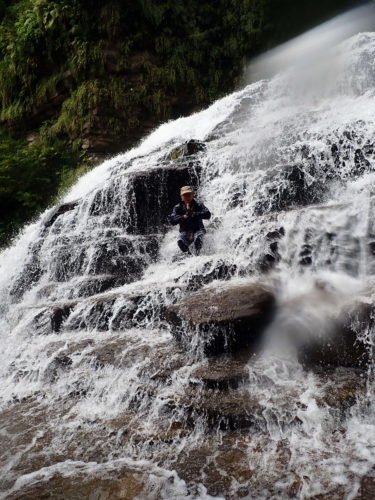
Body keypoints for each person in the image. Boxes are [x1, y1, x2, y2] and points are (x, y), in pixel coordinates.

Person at [169, 186, 211, 255]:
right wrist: (183, 216)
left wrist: (194, 214)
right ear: (181, 197)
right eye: (185, 195)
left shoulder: (198, 204)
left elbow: (208, 214)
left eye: (189, 195)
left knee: (198, 239)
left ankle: (198, 255)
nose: (187, 197)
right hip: (185, 232)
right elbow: (172, 220)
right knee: (180, 241)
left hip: (198, 230)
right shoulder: (178, 207)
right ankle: (188, 256)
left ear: (193, 194)